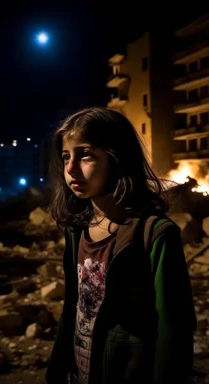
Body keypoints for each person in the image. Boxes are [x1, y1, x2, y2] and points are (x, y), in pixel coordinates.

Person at [45, 107, 197, 384]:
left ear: (117, 159)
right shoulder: (76, 230)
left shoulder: (155, 235)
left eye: (85, 154)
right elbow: (73, 306)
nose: (70, 168)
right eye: (66, 156)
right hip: (80, 370)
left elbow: (173, 330)